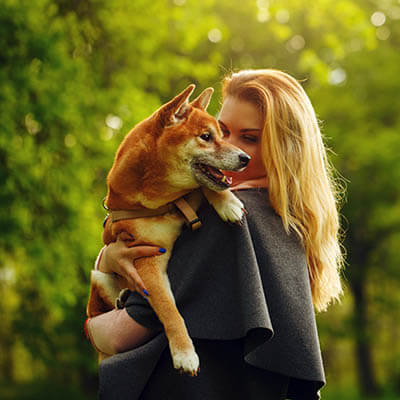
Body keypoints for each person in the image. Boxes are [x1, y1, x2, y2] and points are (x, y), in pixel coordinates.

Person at [85, 69, 344, 400]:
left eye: (248, 138)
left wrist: (92, 319)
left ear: (284, 147)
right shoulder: (291, 225)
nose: (227, 148)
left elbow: (120, 336)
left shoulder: (224, 221)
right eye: (221, 132)